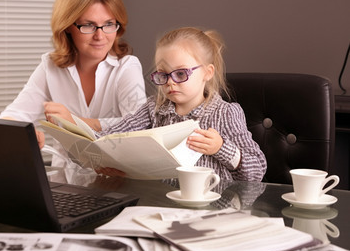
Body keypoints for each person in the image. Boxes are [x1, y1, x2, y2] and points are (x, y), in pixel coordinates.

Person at [54, 27, 267, 181]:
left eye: (181, 73)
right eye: (163, 75)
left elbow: (257, 170)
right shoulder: (153, 109)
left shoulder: (225, 113)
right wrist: (102, 160)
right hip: (160, 205)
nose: (170, 82)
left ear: (207, 73)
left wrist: (222, 148)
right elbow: (114, 136)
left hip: (214, 208)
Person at [0, 0, 146, 177]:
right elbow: (15, 115)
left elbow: (139, 128)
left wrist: (75, 122)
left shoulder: (127, 67)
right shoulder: (50, 66)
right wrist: (23, 134)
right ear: (68, 25)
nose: (100, 36)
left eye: (109, 24)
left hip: (116, 182)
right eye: (89, 25)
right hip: (65, 183)